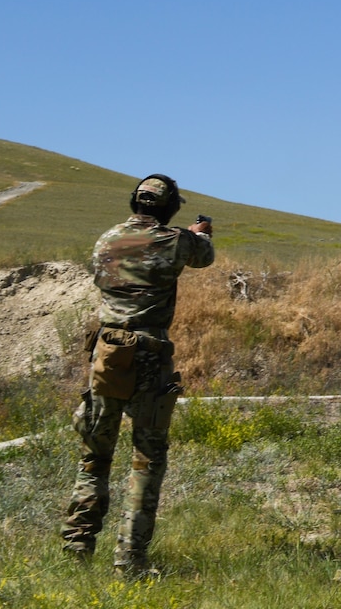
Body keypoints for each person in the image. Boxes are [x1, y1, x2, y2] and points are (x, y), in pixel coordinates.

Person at [61, 175, 215, 576]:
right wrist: (199, 233)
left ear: (135, 202)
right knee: (146, 459)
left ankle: (77, 547)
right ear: (168, 208)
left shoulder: (107, 238)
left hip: (107, 353)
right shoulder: (175, 240)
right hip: (148, 353)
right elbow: (203, 257)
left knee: (94, 456)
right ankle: (130, 562)